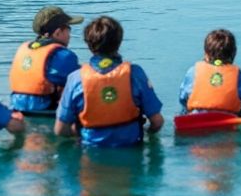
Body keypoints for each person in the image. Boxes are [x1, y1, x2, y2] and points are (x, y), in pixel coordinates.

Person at [54, 15, 163, 147]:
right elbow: (157, 122)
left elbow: (60, 130)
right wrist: (147, 134)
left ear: (89, 45)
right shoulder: (135, 74)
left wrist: (77, 133)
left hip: (89, 154)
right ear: (119, 42)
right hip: (130, 151)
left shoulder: (75, 79)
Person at [178, 28, 241, 116]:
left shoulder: (192, 73)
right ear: (234, 53)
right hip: (229, 130)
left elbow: (182, 100)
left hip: (195, 125)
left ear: (205, 53)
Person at [8, 5, 83, 112]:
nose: (70, 35)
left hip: (16, 109)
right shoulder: (64, 55)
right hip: (45, 111)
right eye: (68, 29)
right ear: (58, 32)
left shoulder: (23, 49)